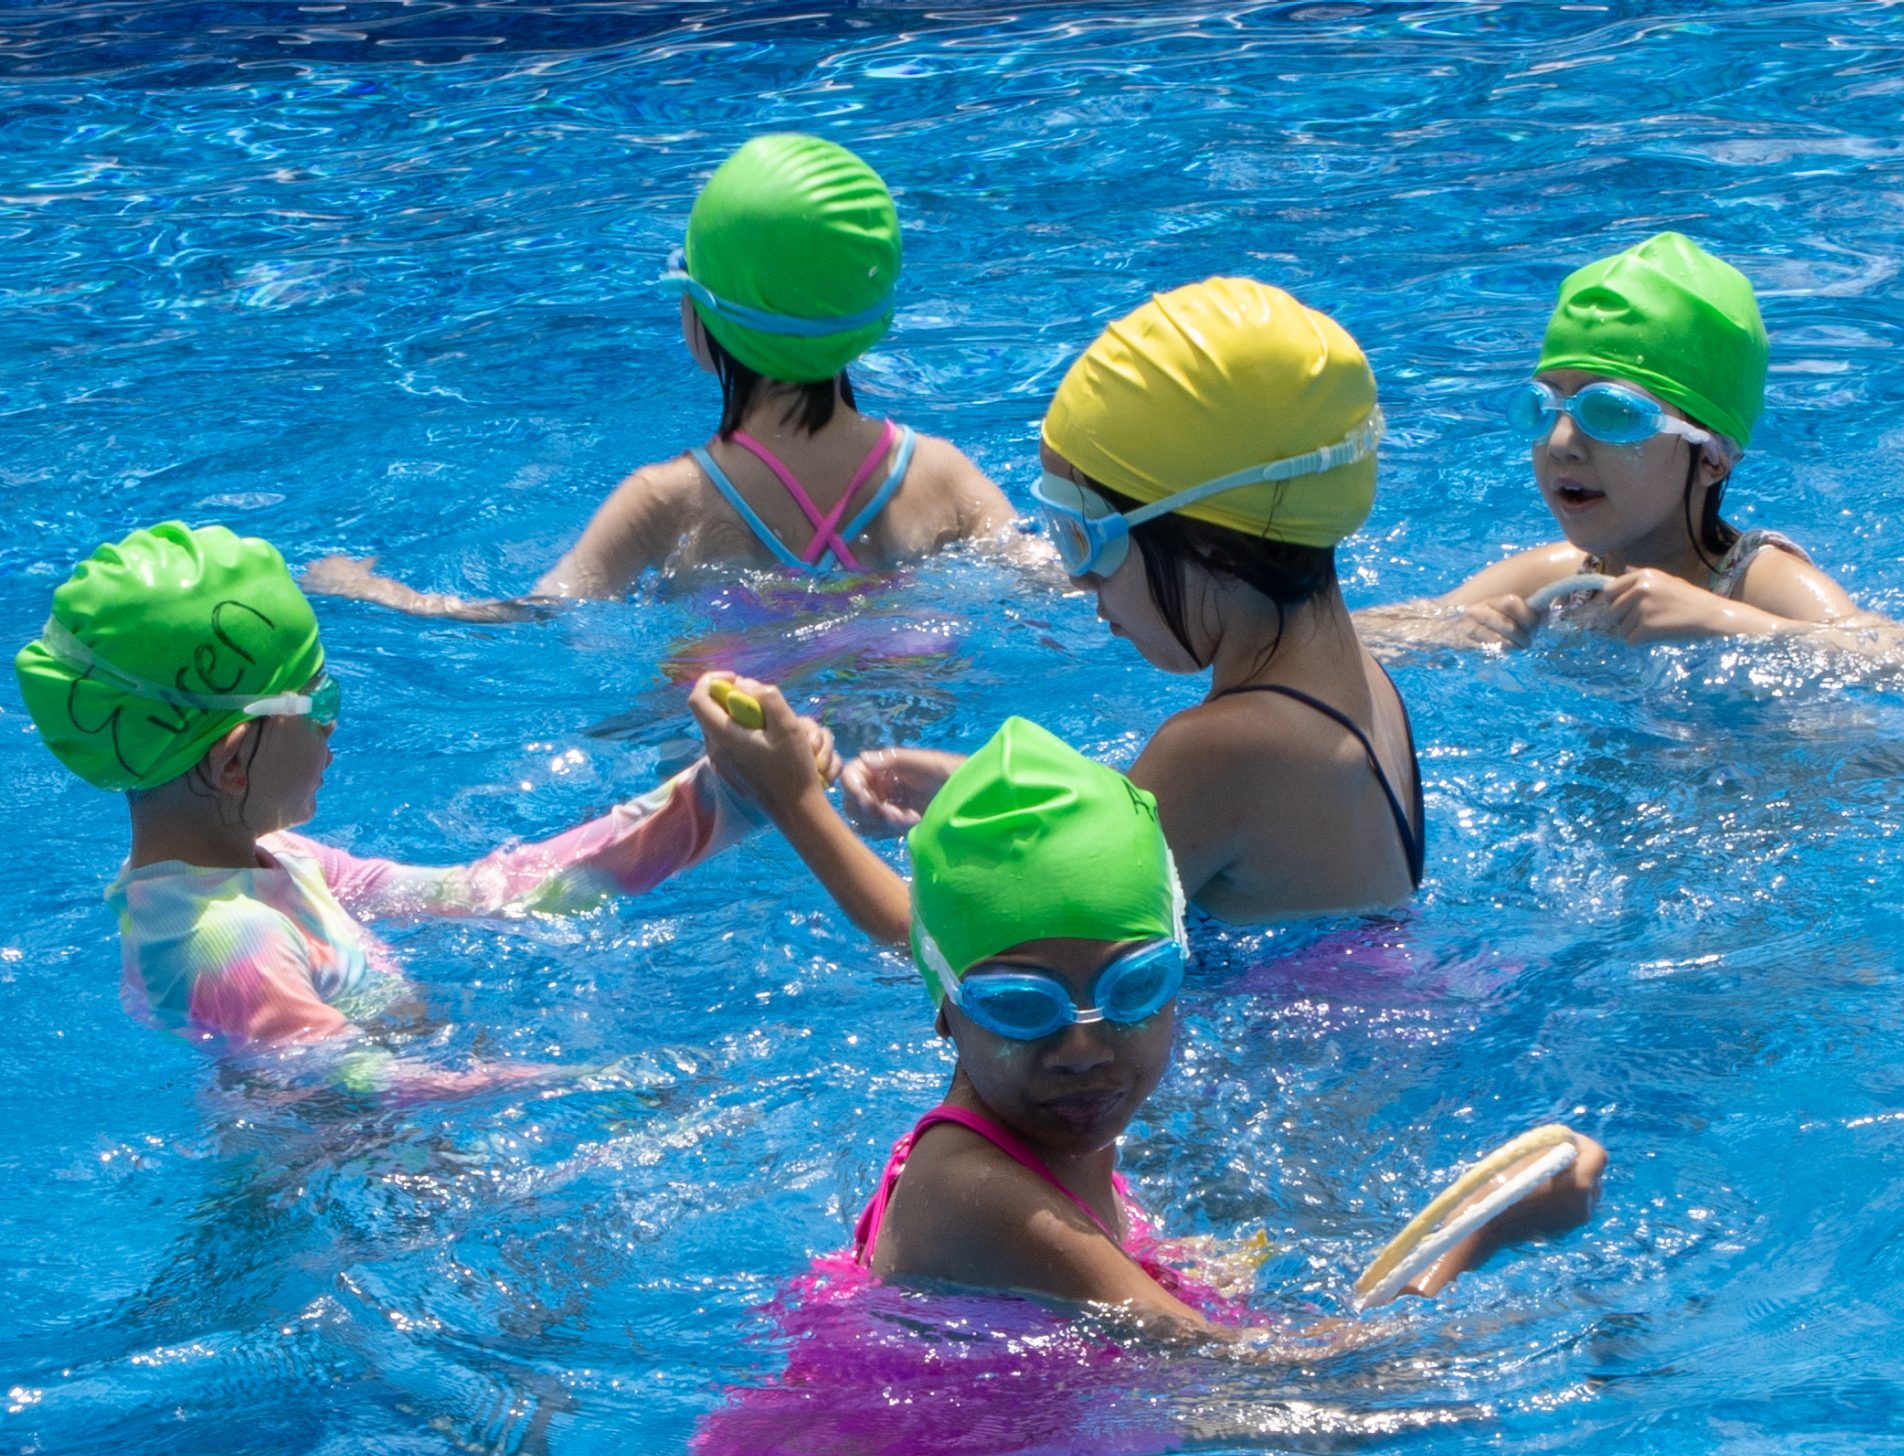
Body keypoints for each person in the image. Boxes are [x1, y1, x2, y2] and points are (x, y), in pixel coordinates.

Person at [694, 702, 1605, 1339]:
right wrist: (1494, 1233)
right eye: (1021, 1004)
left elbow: (921, 928)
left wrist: (794, 801)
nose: (1085, 1044)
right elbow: (1285, 1392)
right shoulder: (977, 1193)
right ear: (946, 1008)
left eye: (1135, 986)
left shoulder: (1043, 1120)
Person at [14, 521, 825, 1052]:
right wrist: (582, 1087)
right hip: (364, 1207)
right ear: (232, 761)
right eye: (318, 702)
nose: (335, 725)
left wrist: (726, 793)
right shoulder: (227, 945)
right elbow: (360, 1091)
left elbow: (492, 890)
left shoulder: (271, 859)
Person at [832, 277, 1425, 925]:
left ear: (1214, 546)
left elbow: (961, 949)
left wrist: (785, 798)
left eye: (1084, 536)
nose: (1079, 579)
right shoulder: (1364, 684)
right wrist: (981, 787)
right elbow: (1136, 817)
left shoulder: (1218, 750)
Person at [303, 134, 1015, 619]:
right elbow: (1053, 576)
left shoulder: (667, 500)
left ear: (706, 316)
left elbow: (534, 617)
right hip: (899, 724)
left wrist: (377, 592)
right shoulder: (943, 474)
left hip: (734, 766)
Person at [1421, 232, 1880, 647]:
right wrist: (1450, 631)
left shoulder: (1759, 582)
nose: (1561, 442)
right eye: (1542, 408)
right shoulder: (1564, 575)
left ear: (1713, 458)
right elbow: (1364, 635)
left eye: (1612, 413)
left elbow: (1899, 658)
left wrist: (1726, 619)